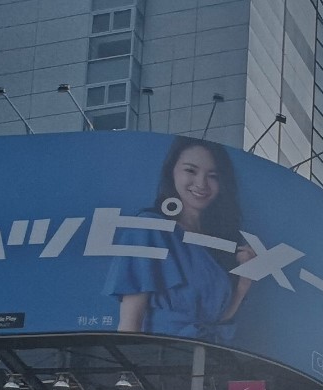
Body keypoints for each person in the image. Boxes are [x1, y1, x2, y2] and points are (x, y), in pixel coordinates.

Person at [100, 135, 256, 341]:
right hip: (157, 358)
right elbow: (130, 323)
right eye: (190, 170)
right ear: (171, 171)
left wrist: (244, 283)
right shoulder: (149, 228)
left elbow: (217, 322)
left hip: (205, 361)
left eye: (213, 175)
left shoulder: (220, 244)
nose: (201, 183)